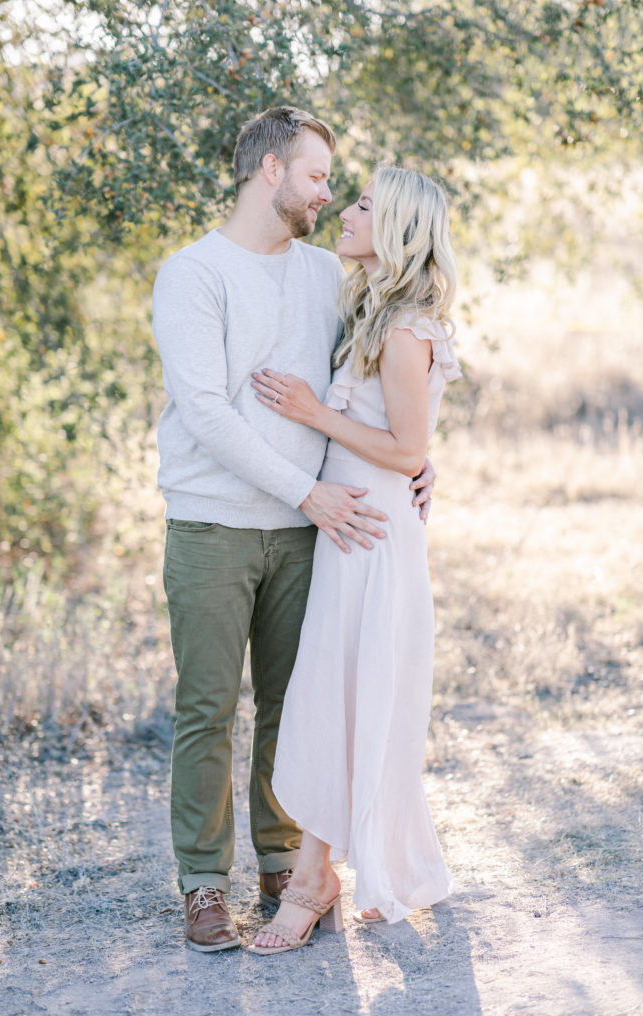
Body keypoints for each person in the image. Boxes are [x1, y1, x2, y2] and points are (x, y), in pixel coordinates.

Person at [152, 107, 435, 953]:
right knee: (207, 709)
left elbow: (381, 385)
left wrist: (414, 463)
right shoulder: (192, 273)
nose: (325, 194)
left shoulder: (325, 275)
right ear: (270, 170)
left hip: (316, 531)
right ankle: (204, 884)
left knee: (293, 705)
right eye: (317, 177)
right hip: (215, 524)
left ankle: (286, 867)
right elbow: (204, 411)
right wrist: (307, 491)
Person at [248, 166, 461, 954]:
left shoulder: (405, 328)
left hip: (371, 539)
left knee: (349, 697)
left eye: (364, 205)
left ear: (397, 229)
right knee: (336, 696)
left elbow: (405, 448)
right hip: (351, 532)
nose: (346, 211)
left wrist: (311, 413)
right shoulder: (371, 309)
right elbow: (410, 446)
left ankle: (312, 881)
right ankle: (350, 865)